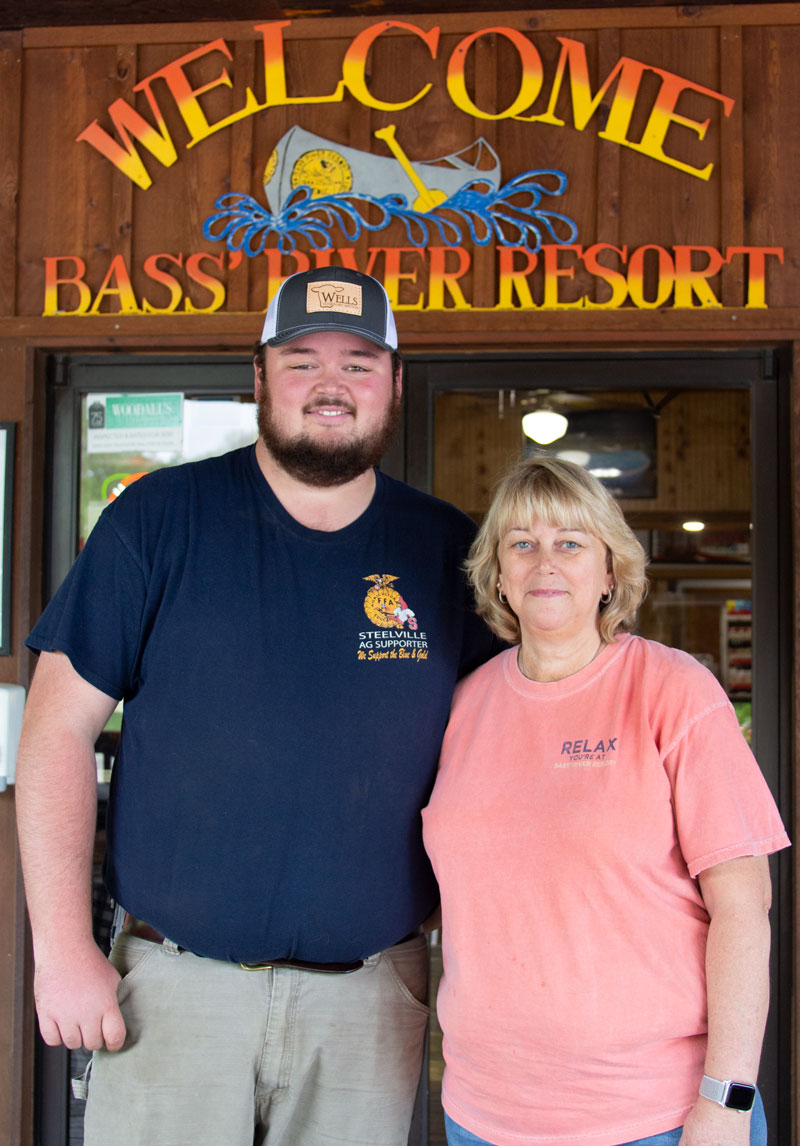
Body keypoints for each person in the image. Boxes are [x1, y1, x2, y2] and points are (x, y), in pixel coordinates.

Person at [15, 266, 496, 1146]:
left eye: (357, 363)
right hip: (172, 987)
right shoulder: (159, 520)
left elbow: (504, 754)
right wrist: (62, 950)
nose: (330, 385)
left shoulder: (442, 549)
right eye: (302, 359)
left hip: (371, 1001)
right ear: (260, 376)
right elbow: (55, 733)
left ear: (395, 383)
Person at [422, 455, 790, 1146]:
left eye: (571, 543)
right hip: (483, 1113)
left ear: (610, 571)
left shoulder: (674, 692)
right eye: (521, 544)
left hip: (655, 1115)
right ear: (498, 574)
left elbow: (743, 906)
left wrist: (728, 1099)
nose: (545, 563)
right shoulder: (462, 707)